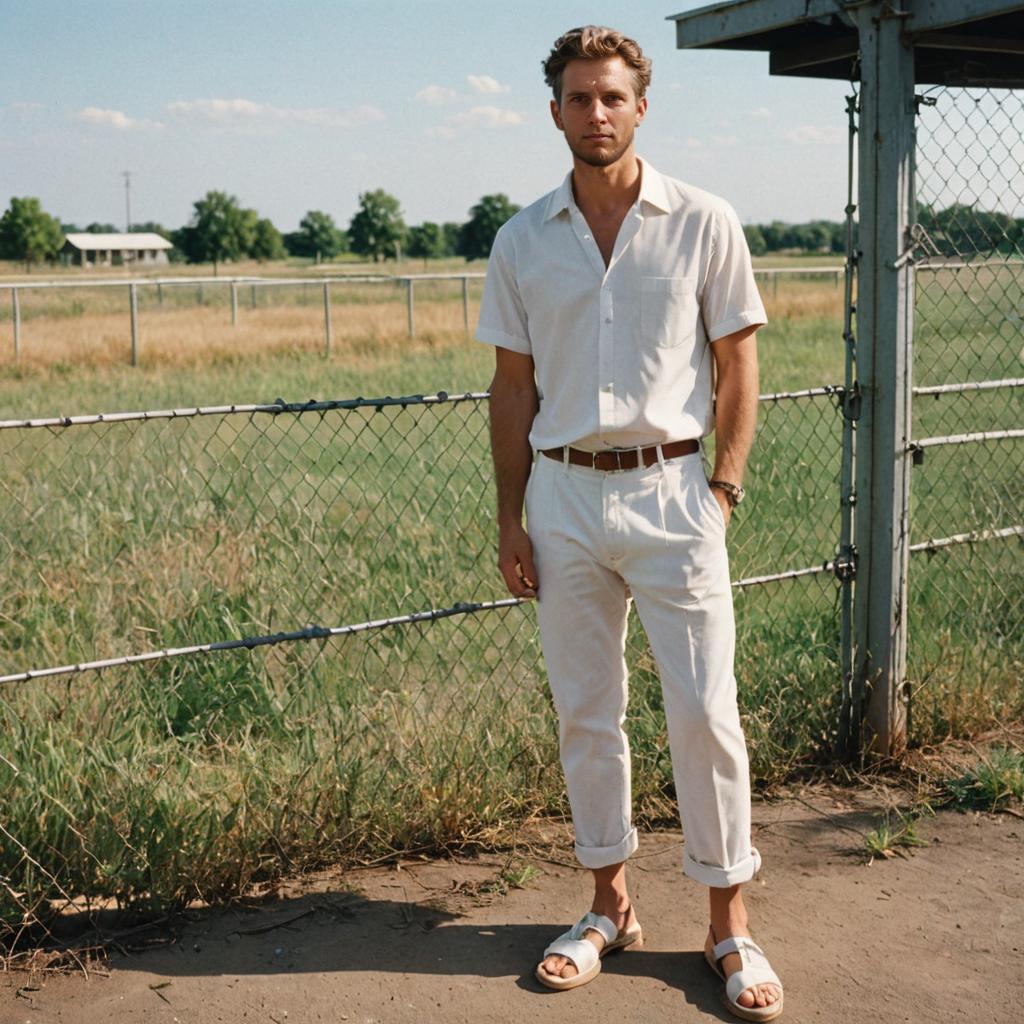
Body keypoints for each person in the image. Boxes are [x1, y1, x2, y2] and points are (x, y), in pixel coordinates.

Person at [476, 25, 783, 1023]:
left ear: (640, 105)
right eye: (577, 97)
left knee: (702, 709)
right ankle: (608, 907)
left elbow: (738, 364)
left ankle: (726, 922)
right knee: (585, 710)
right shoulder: (521, 239)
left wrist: (721, 491)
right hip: (562, 499)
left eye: (612, 97)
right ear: (555, 109)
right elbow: (510, 386)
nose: (595, 113)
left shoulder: (702, 220)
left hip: (673, 493)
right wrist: (510, 518)